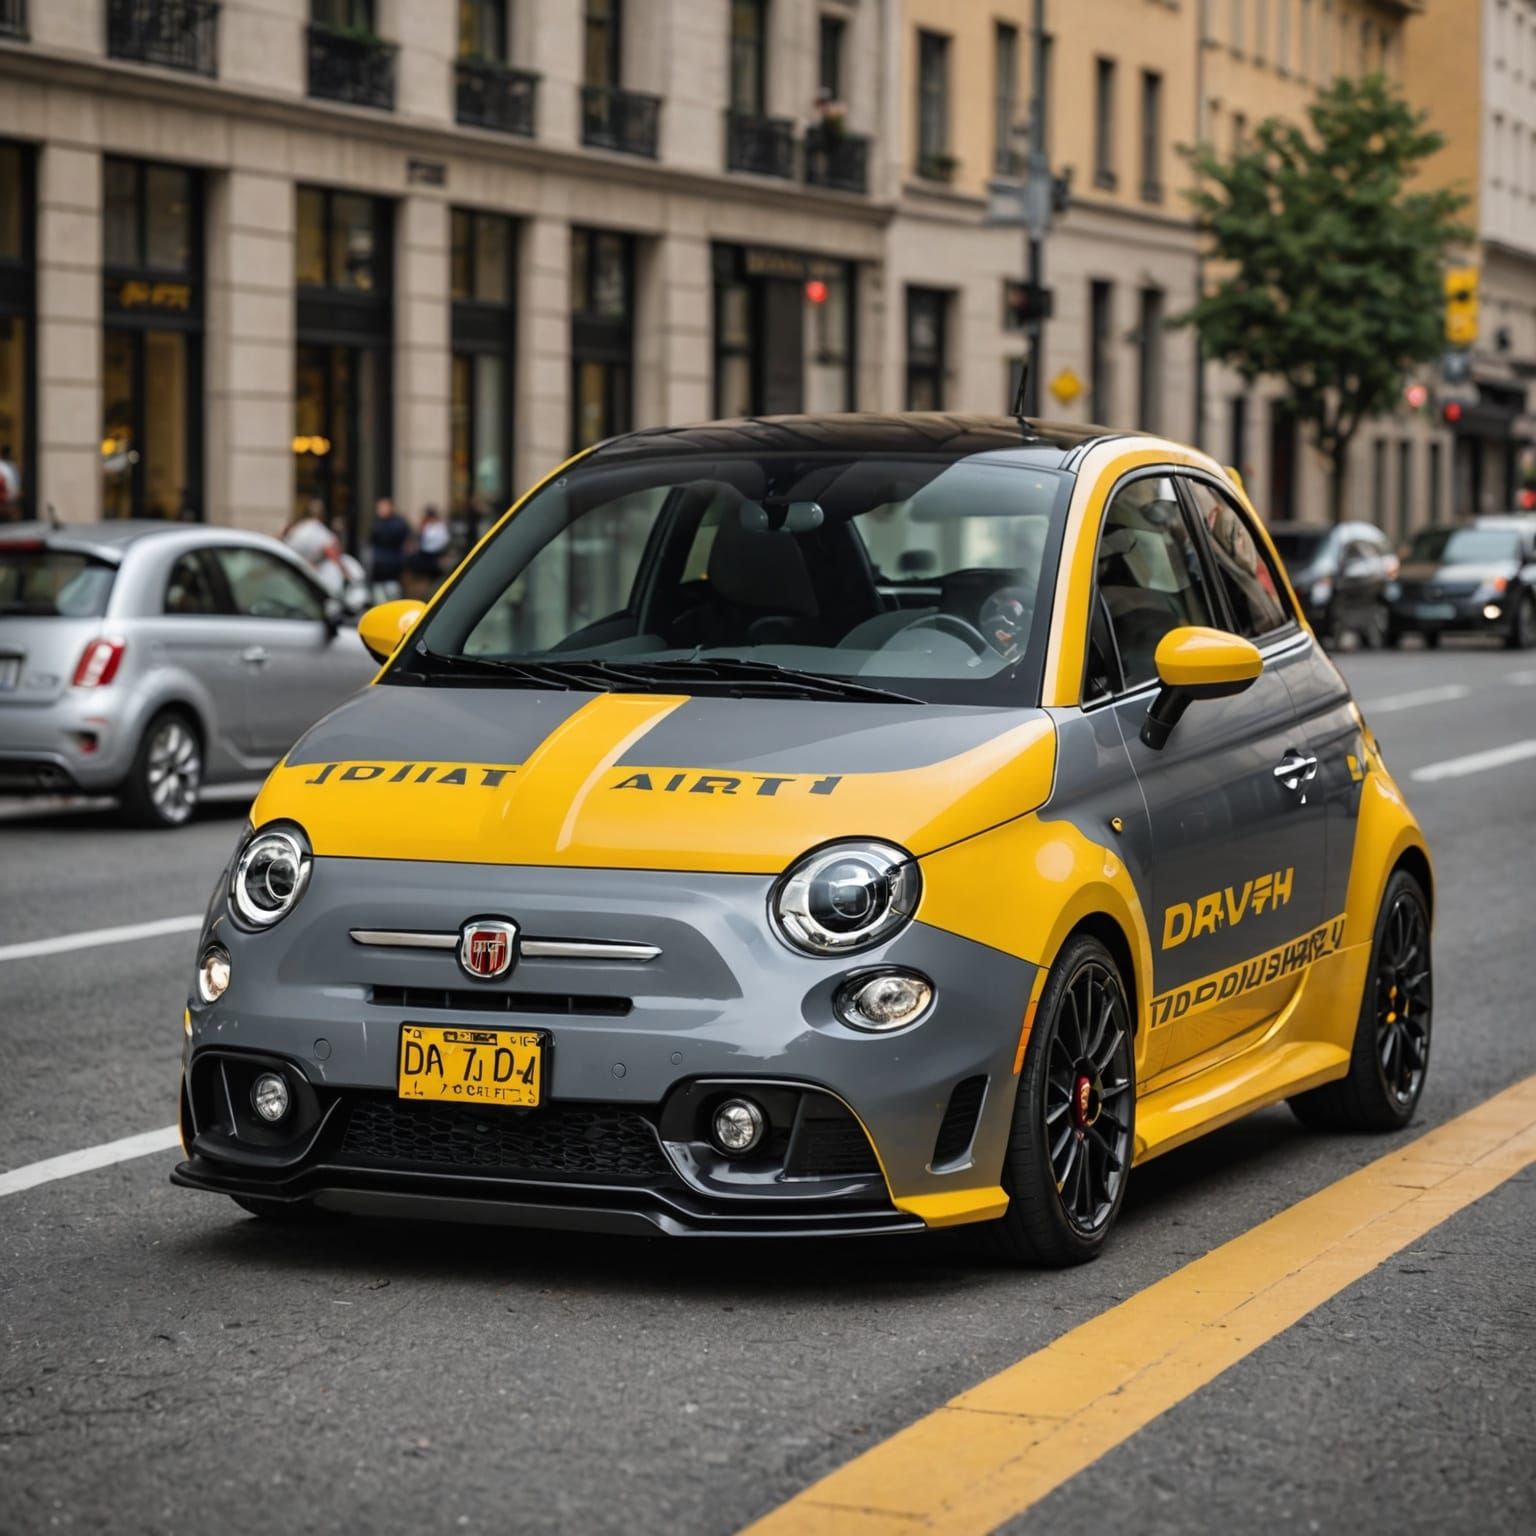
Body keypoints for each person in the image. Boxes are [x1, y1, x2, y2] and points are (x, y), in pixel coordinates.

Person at [368, 497, 410, 595]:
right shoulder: (377, 523)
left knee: (393, 594)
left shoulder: (398, 523)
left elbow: (406, 541)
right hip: (379, 569)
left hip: (393, 568)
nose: (380, 510)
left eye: (383, 507)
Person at [0, 444, 20, 519]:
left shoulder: (12, 465)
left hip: (11, 499)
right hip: (3, 499)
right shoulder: (1, 465)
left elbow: (15, 481)